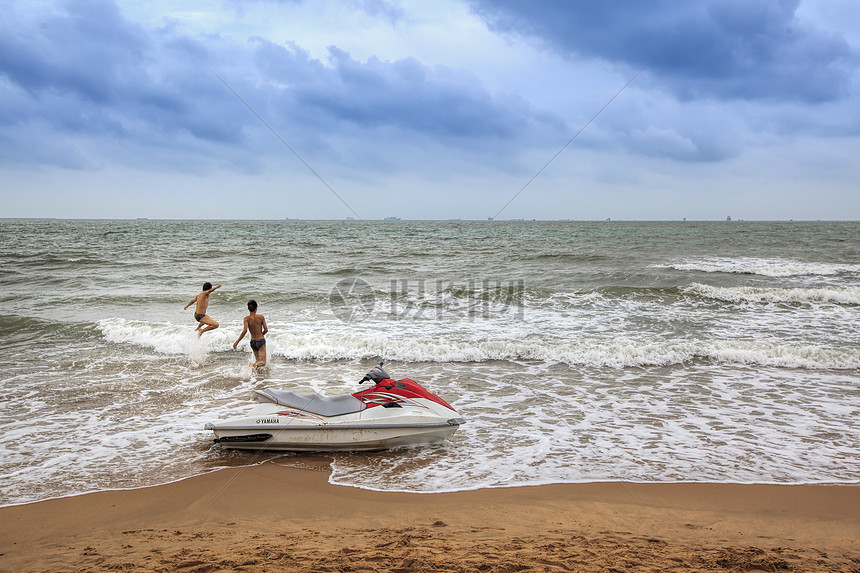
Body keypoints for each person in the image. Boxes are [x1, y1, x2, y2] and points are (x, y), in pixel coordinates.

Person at [233, 299, 268, 367]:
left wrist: (237, 342)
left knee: (258, 361)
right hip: (261, 341)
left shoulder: (246, 319)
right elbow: (266, 330)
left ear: (248, 309)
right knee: (263, 362)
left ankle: (258, 376)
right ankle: (251, 365)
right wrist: (261, 335)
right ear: (256, 308)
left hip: (253, 342)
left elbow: (244, 331)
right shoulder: (261, 317)